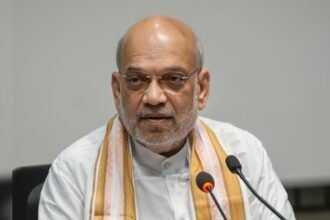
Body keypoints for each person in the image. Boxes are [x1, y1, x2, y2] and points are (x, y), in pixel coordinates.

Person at [39, 15, 295, 220]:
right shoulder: (75, 171)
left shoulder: (242, 156)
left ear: (202, 89)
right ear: (118, 91)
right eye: (136, 80)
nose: (153, 97)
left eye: (173, 79)